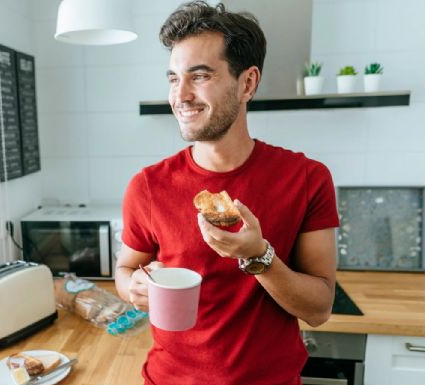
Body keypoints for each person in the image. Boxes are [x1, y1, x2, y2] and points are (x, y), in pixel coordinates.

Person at [114, 2, 339, 384]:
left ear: (247, 83)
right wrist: (133, 286)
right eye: (173, 78)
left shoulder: (306, 178)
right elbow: (123, 271)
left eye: (199, 76)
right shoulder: (148, 186)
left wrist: (258, 256)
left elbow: (319, 310)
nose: (180, 95)